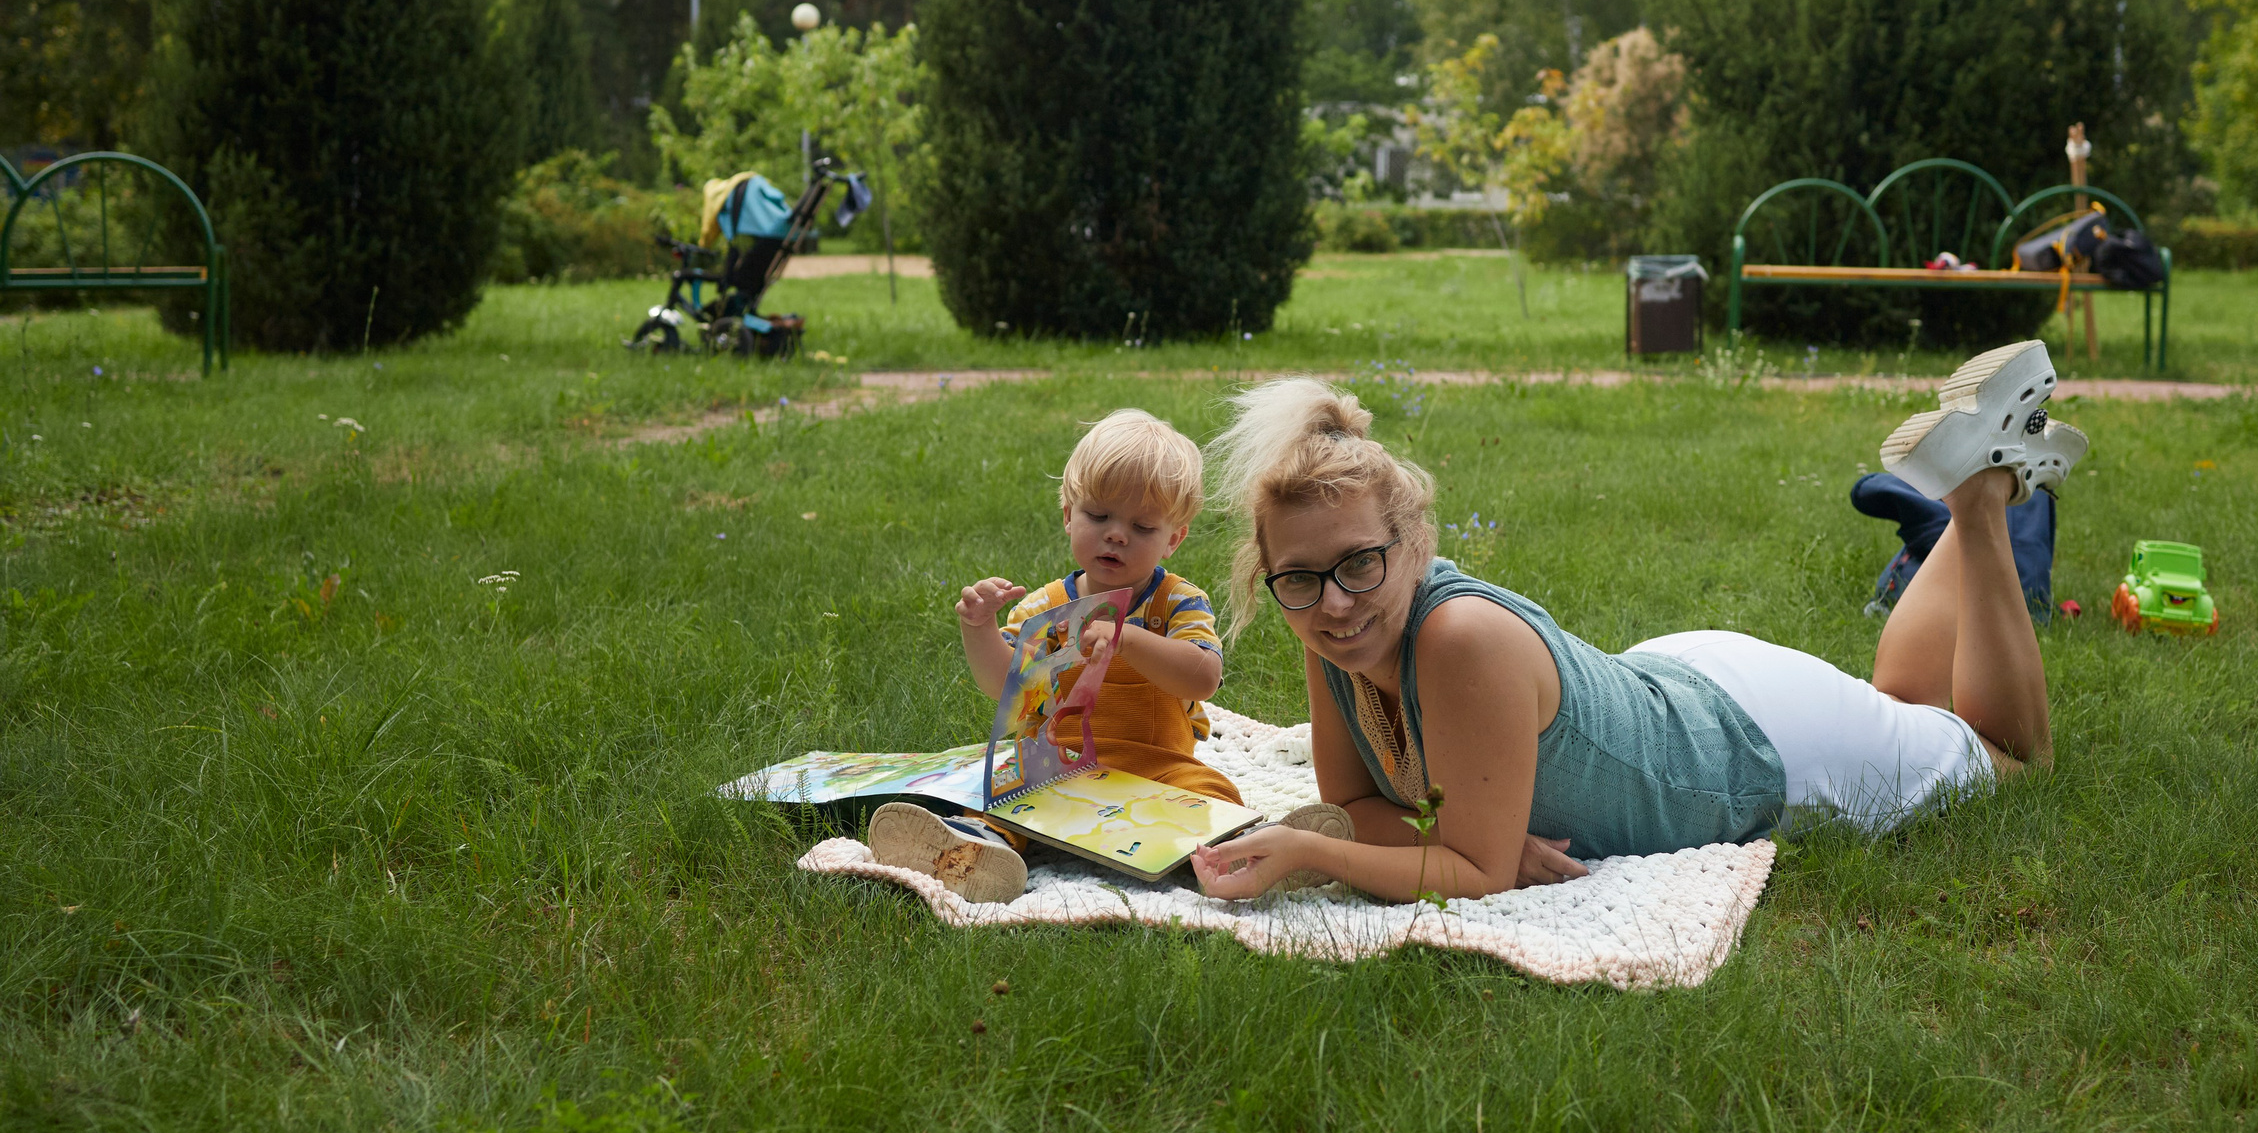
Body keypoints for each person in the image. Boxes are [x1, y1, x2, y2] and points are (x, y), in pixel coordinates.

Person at [1187, 341, 2089, 903]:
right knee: (1902, 701)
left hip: (1751, 746)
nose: (1334, 601)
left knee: (2012, 761)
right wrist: (1426, 838)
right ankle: (1962, 494)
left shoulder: (1456, 638)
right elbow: (1360, 807)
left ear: (1414, 543)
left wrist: (1317, 850)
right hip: (1676, 691)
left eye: (1360, 563)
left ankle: (1982, 500)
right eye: (1299, 577)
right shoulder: (1332, 629)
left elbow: (1469, 870)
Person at [870, 408, 1276, 903]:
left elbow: (1203, 678)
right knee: (1002, 787)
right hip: (1057, 763)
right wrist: (978, 628)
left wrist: (1129, 639)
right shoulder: (1045, 609)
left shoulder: (1176, 601)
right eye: (1098, 516)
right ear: (1068, 515)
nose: (1116, 534)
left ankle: (1250, 851)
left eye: (1142, 526)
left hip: (1158, 767)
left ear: (1173, 537)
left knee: (1213, 793)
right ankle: (976, 850)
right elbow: (1005, 686)